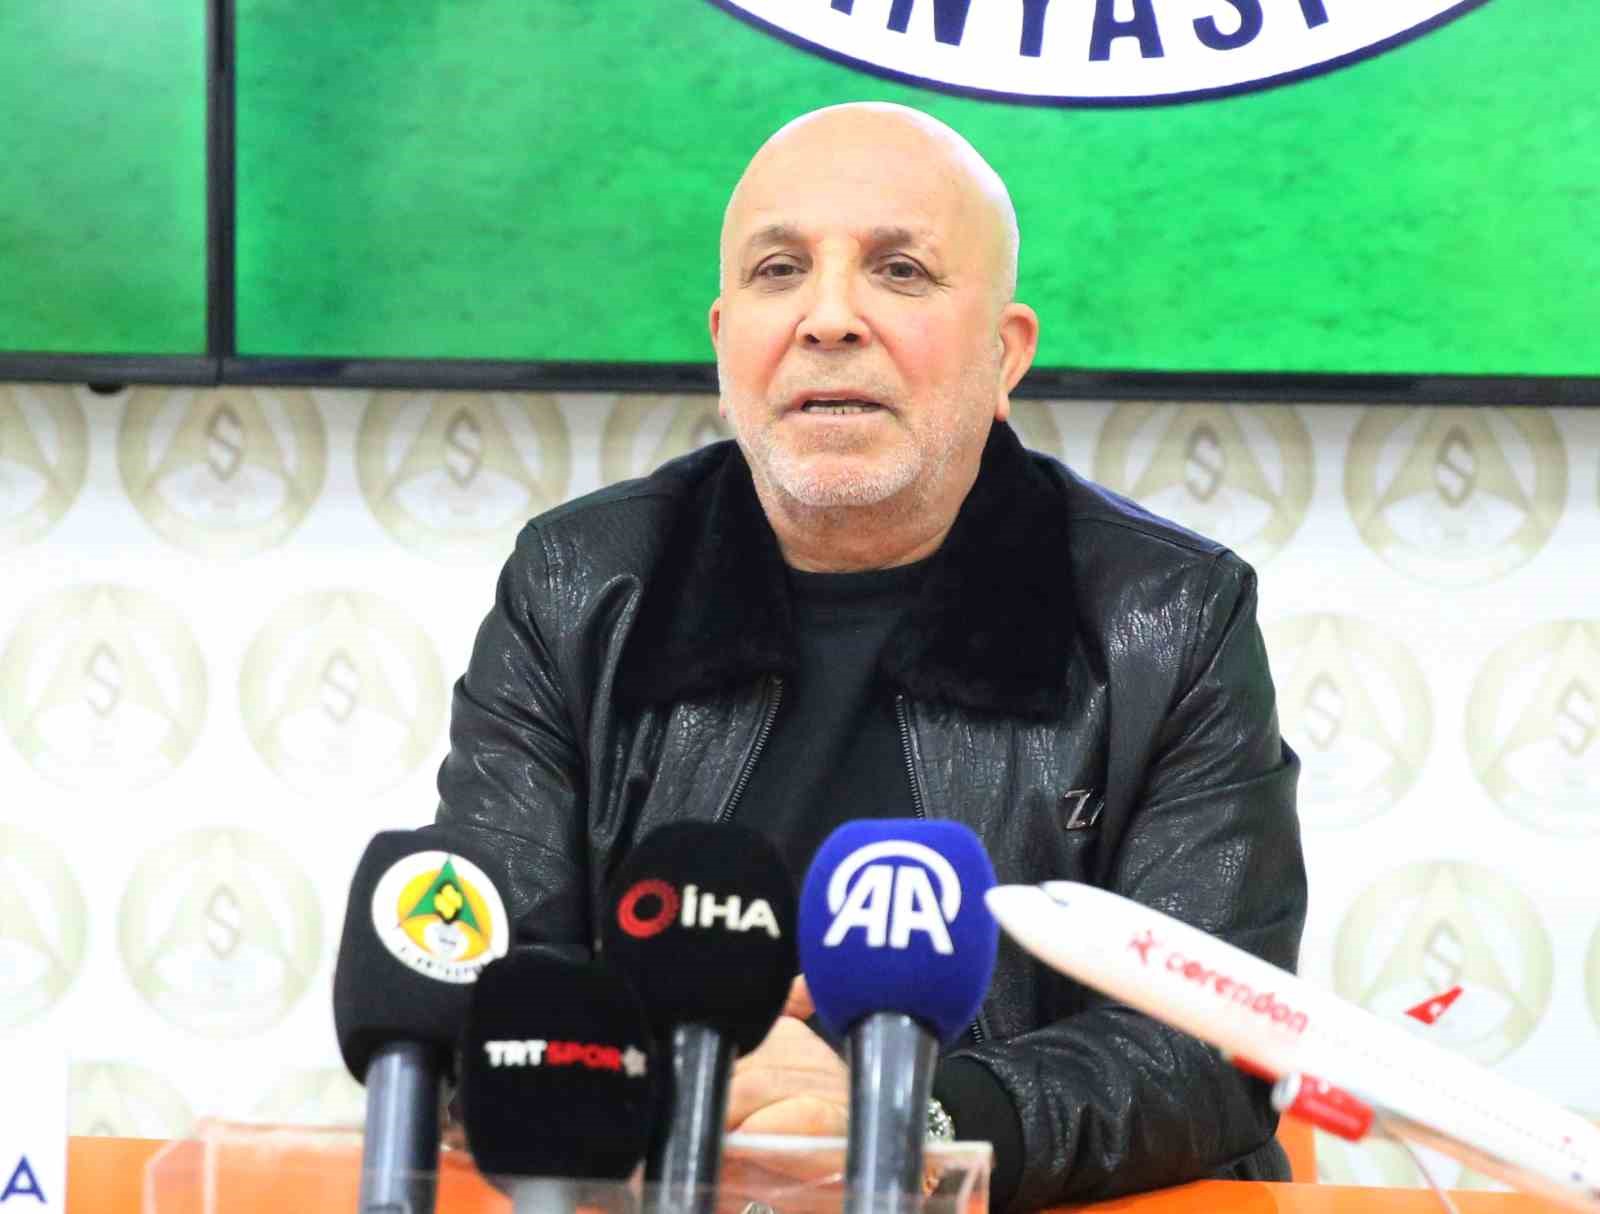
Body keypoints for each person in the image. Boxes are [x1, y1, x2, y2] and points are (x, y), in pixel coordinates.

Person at [431, 102, 1306, 1210]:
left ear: (1004, 353)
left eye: (899, 270)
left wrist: (903, 1118)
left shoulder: (1169, 617)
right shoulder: (575, 590)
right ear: (723, 343)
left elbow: (1214, 1040)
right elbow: (472, 985)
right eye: (779, 270)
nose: (829, 318)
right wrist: (682, 1091)